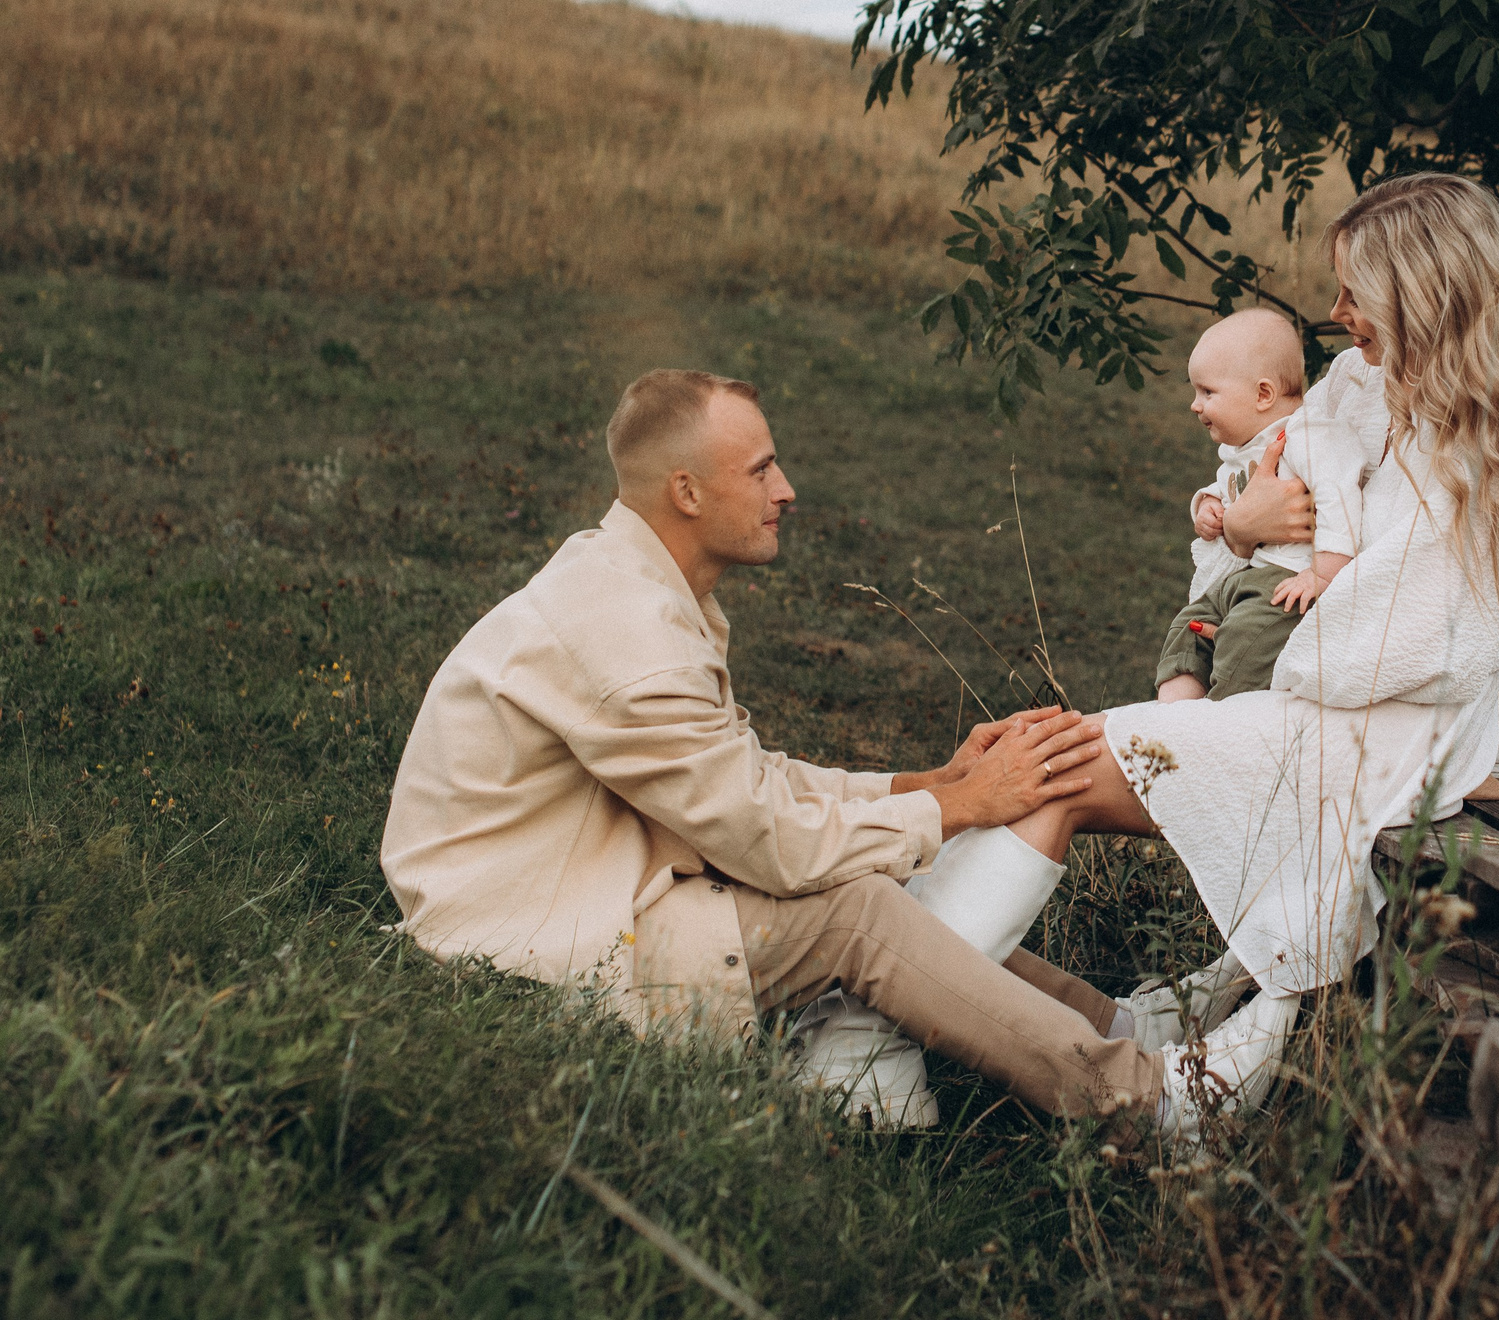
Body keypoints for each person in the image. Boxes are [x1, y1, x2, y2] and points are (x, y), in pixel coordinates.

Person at [379, 368, 1287, 1135]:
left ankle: (1126, 1022)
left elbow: (745, 784)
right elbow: (770, 840)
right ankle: (1152, 1104)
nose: (788, 490)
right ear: (687, 493)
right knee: (855, 906)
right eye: (763, 467)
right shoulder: (627, 638)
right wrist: (964, 805)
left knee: (869, 863)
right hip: (536, 941)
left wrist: (926, 782)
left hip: (588, 881)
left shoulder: (637, 583)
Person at [1003, 174, 1499, 1050]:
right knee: (1037, 763)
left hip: (1380, 735)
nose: (1338, 310)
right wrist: (1240, 532)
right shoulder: (1355, 387)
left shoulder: (1493, 461)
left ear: (1422, 298)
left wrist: (1277, 609)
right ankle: (978, 1009)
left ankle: (934, 1015)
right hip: (1298, 695)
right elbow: (1236, 549)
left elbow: (1400, 646)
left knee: (1058, 772)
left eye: (1358, 291)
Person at [1155, 308, 1377, 703]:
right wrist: (1207, 505)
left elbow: (1338, 493)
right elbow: (1231, 487)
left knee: (1244, 643)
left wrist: (1323, 575)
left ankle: (1219, 720)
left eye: (1207, 392)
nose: (1195, 404)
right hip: (1245, 579)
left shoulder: (1308, 435)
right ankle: (1172, 716)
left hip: (1288, 580)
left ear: (1263, 394)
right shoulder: (1245, 447)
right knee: (1188, 628)